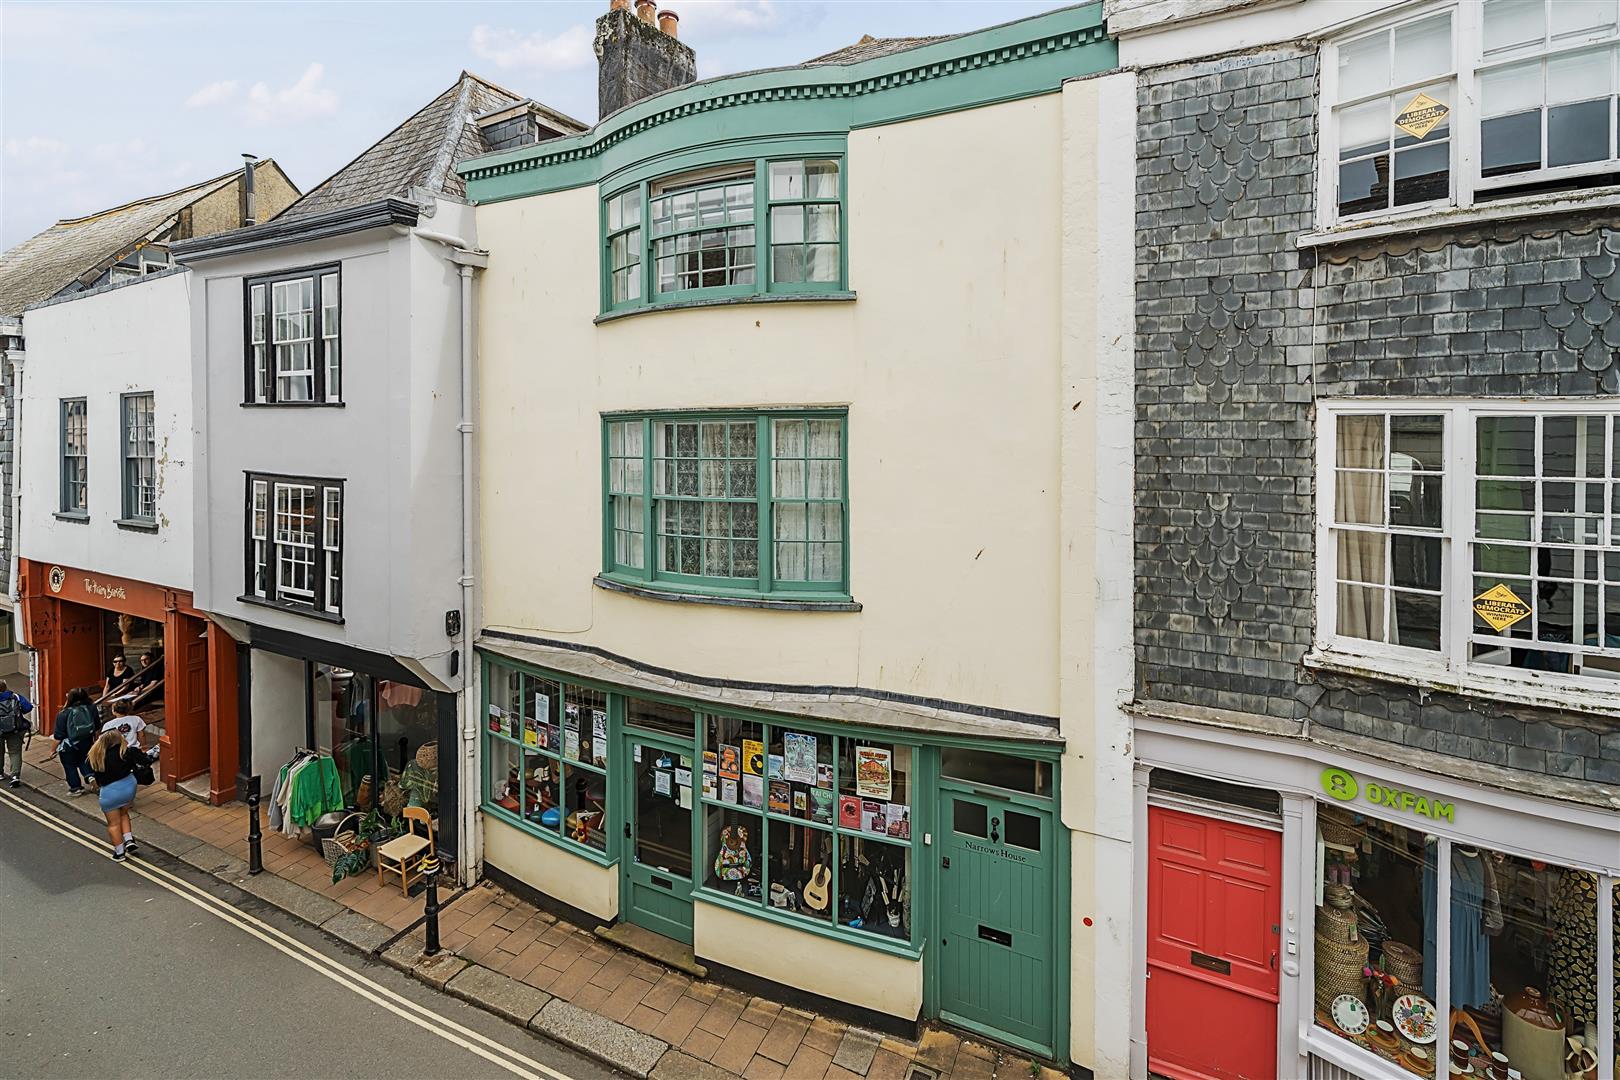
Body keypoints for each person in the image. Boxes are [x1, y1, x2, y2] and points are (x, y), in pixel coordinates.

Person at [86, 729, 153, 861]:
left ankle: (119, 852)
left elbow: (94, 777)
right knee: (124, 812)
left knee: (113, 824)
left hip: (110, 793)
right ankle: (129, 840)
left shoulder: (95, 757)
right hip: (129, 787)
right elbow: (146, 760)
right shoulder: (127, 752)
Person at [52, 687, 99, 797]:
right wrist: (95, 740)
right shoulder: (91, 708)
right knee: (84, 759)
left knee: (69, 765)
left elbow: (58, 736)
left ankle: (76, 788)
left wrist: (52, 750)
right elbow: (97, 726)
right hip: (87, 740)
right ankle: (90, 775)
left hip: (69, 744)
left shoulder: (63, 714)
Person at [0, 679, 35, 789]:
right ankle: (15, 776)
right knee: (15, 752)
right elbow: (28, 707)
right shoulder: (15, 697)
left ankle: (0, 774)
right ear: (5, 687)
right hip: (15, 729)